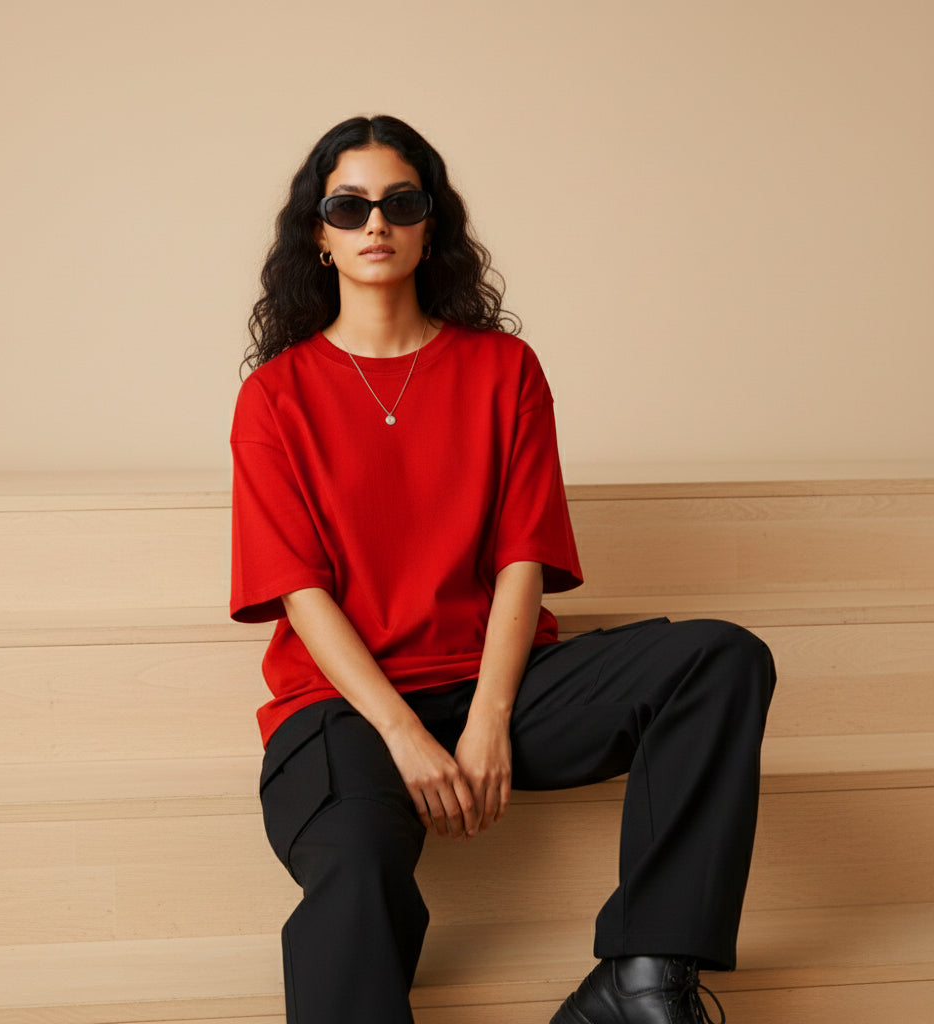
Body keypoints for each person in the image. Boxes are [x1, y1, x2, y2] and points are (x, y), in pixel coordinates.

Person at [230, 114, 776, 1024]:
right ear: (319, 237)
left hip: (501, 684)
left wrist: (488, 719)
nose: (376, 222)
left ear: (430, 224)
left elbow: (524, 554)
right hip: (342, 707)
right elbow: (301, 591)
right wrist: (406, 735)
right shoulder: (275, 397)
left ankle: (641, 977)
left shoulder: (504, 370)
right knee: (357, 866)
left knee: (720, 660)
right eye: (349, 206)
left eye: (401, 203)